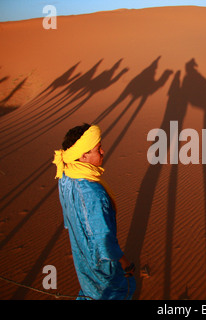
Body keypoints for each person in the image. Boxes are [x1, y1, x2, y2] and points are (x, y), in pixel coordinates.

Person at [53, 123, 135, 300]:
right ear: (83, 156)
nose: (103, 152)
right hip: (102, 268)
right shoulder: (93, 194)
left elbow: (68, 219)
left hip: (82, 258)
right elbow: (103, 242)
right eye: (98, 149)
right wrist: (125, 264)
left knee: (90, 292)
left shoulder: (66, 176)